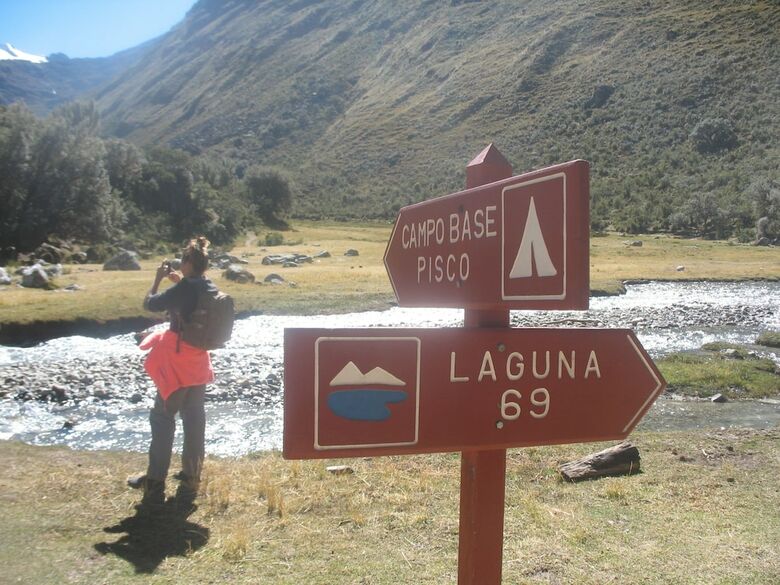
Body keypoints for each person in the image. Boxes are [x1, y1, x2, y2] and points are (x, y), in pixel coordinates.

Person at [129, 236, 217, 507]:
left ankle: (155, 480)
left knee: (162, 418)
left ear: (188, 262)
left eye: (182, 259)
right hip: (199, 363)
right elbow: (193, 304)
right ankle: (192, 475)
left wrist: (156, 280)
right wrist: (178, 282)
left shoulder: (183, 290)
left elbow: (151, 303)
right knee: (194, 419)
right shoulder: (208, 286)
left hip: (177, 366)